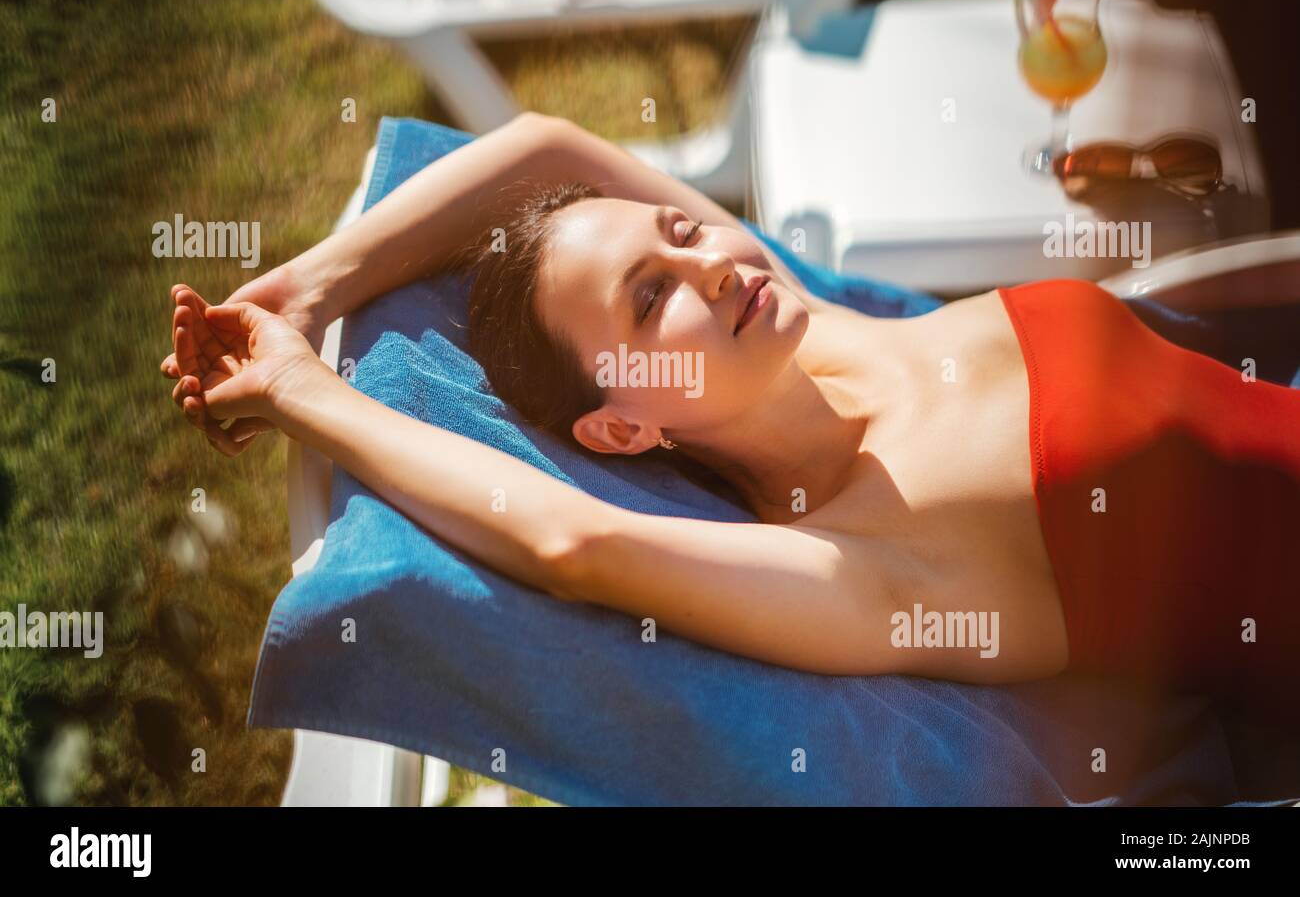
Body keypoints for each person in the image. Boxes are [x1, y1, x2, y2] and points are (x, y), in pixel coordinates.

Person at [161, 112, 1300, 724]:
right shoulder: (865, 562)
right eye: (650, 299)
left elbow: (551, 150)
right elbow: (573, 545)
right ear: (618, 427)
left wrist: (312, 285)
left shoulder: (820, 322)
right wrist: (306, 395)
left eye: (685, 234)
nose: (706, 259)